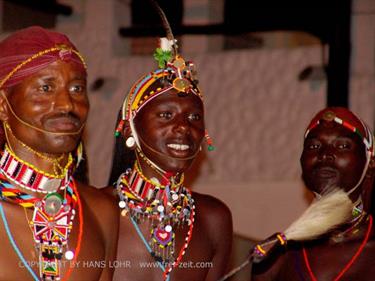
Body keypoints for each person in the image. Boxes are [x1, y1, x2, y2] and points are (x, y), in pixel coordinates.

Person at [106, 29, 232, 281]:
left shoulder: (212, 218)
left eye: (194, 117)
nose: (185, 126)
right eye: (166, 115)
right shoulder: (97, 209)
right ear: (130, 126)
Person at [0, 26, 118, 281]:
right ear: (3, 104)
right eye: (46, 88)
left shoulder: (101, 211)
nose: (67, 104)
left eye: (77, 89)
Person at [251, 107, 375, 281]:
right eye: (314, 146)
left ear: (369, 164)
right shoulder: (275, 255)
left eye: (343, 145)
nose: (325, 155)